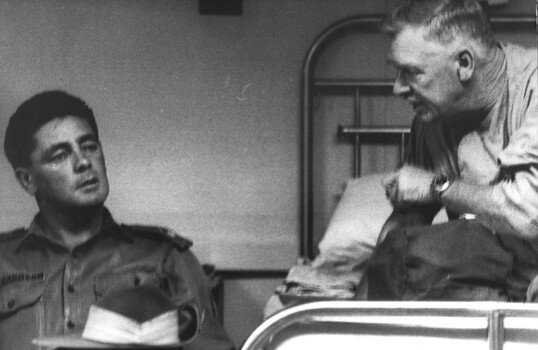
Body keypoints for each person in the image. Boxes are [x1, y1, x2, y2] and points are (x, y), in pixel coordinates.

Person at [0, 90, 235, 350]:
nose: (83, 162)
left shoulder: (166, 258)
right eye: (60, 155)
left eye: (89, 146)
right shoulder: (4, 262)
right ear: (27, 180)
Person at [370, 0, 537, 301]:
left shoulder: (533, 89)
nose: (397, 88)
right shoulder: (433, 115)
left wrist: (437, 187)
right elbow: (402, 233)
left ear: (464, 64)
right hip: (502, 283)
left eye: (410, 72)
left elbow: (530, 214)